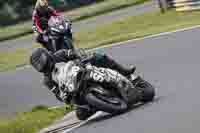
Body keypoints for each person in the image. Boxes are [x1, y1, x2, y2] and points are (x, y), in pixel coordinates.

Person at [30, 48, 135, 119]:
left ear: (47, 55)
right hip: (74, 89)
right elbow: (58, 94)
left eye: (41, 62)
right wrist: (64, 97)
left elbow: (74, 53)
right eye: (38, 65)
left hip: (82, 70)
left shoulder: (59, 55)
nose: (41, 66)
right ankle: (99, 104)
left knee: (98, 56)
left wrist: (80, 56)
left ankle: (123, 71)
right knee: (80, 114)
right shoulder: (47, 81)